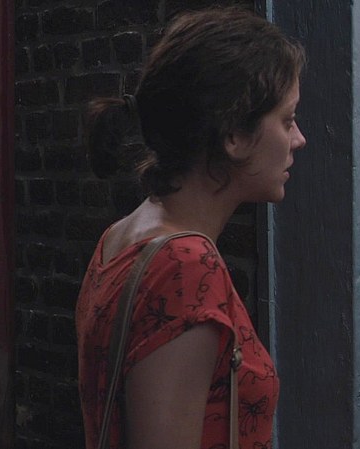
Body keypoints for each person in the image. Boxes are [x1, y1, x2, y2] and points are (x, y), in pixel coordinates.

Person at [75, 8, 306, 449]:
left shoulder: (119, 239)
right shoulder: (184, 266)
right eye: (287, 120)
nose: (298, 139)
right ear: (233, 135)